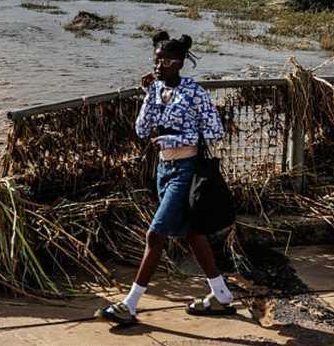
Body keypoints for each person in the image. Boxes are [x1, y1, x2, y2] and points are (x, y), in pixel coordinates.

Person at [96, 33, 235, 326]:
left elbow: (214, 132)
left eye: (166, 60)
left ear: (180, 63)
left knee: (155, 234)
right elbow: (140, 129)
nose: (159, 65)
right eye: (156, 59)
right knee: (192, 234)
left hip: (187, 169)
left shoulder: (194, 92)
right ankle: (221, 295)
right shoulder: (156, 90)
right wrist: (148, 95)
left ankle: (129, 305)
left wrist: (172, 135)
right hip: (164, 168)